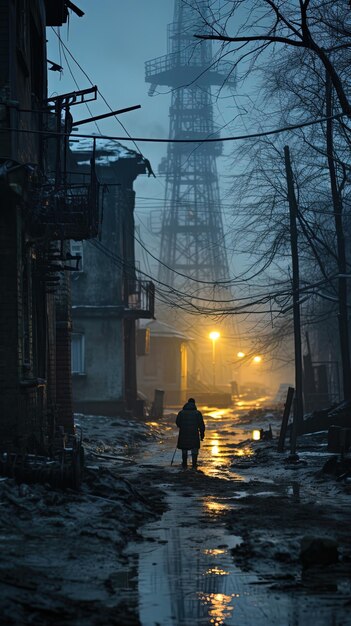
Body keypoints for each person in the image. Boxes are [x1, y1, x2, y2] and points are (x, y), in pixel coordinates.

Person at [176, 398, 205, 469]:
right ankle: (194, 464)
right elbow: (201, 425)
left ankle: (184, 464)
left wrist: (182, 427)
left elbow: (177, 422)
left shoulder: (181, 413)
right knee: (194, 448)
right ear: (194, 404)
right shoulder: (197, 413)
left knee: (184, 448)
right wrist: (202, 434)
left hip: (183, 433)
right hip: (194, 433)